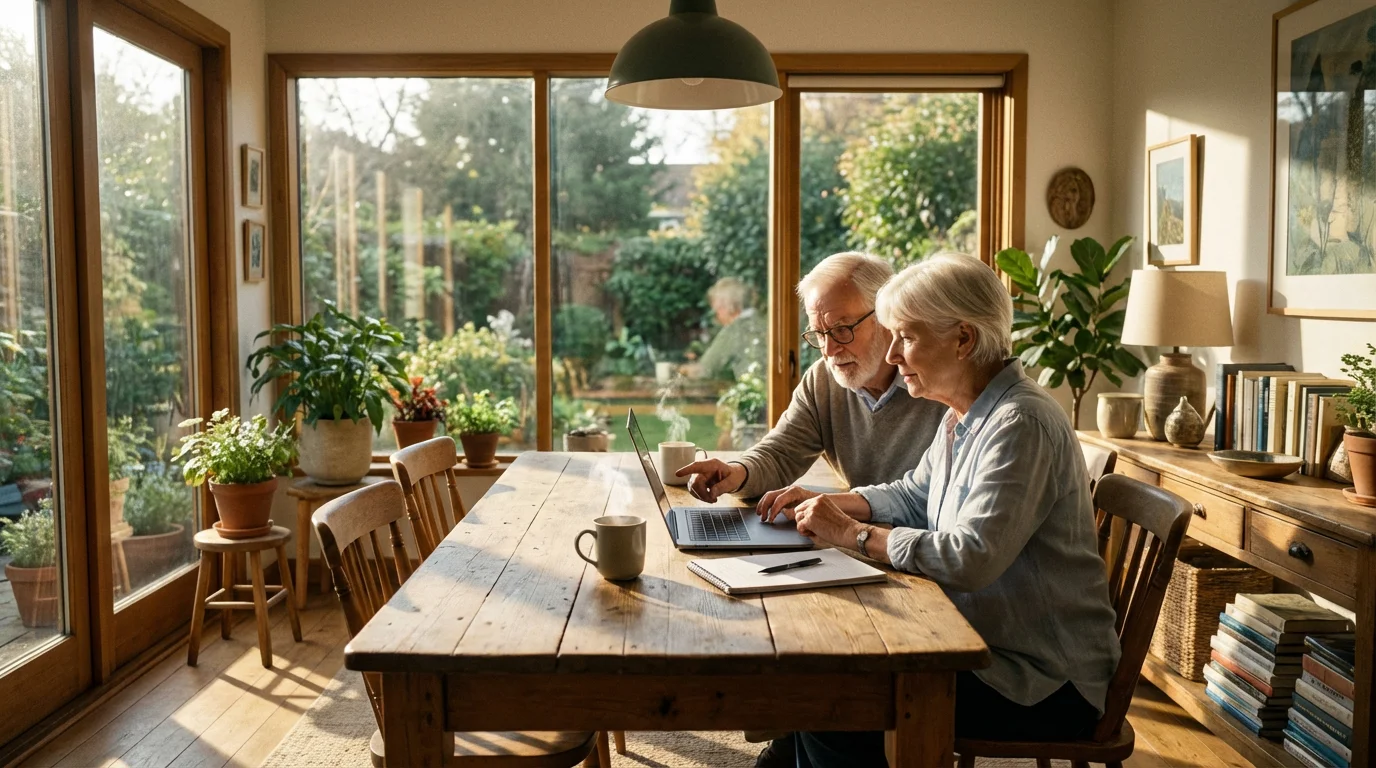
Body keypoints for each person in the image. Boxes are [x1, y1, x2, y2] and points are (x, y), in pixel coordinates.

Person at [767, 253, 1121, 767]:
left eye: (905, 337)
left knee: (838, 698)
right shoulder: (965, 415)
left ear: (964, 338)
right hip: (982, 642)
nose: (891, 355)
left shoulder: (1021, 423)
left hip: (1041, 678)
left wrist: (850, 533)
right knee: (820, 678)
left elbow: (969, 558)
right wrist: (835, 502)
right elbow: (914, 495)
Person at [675, 252, 947, 768]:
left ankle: (805, 734)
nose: (829, 349)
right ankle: (795, 739)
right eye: (818, 334)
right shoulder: (826, 379)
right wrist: (736, 472)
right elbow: (780, 450)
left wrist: (848, 522)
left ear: (887, 314)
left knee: (820, 661)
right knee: (787, 626)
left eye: (842, 329)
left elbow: (935, 507)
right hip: (865, 550)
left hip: (922, 569)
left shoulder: (936, 381)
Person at [685, 277, 767, 380]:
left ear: (728, 307)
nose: (717, 316)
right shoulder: (764, 323)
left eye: (717, 310)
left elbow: (705, 369)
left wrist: (681, 370)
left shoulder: (734, 330)